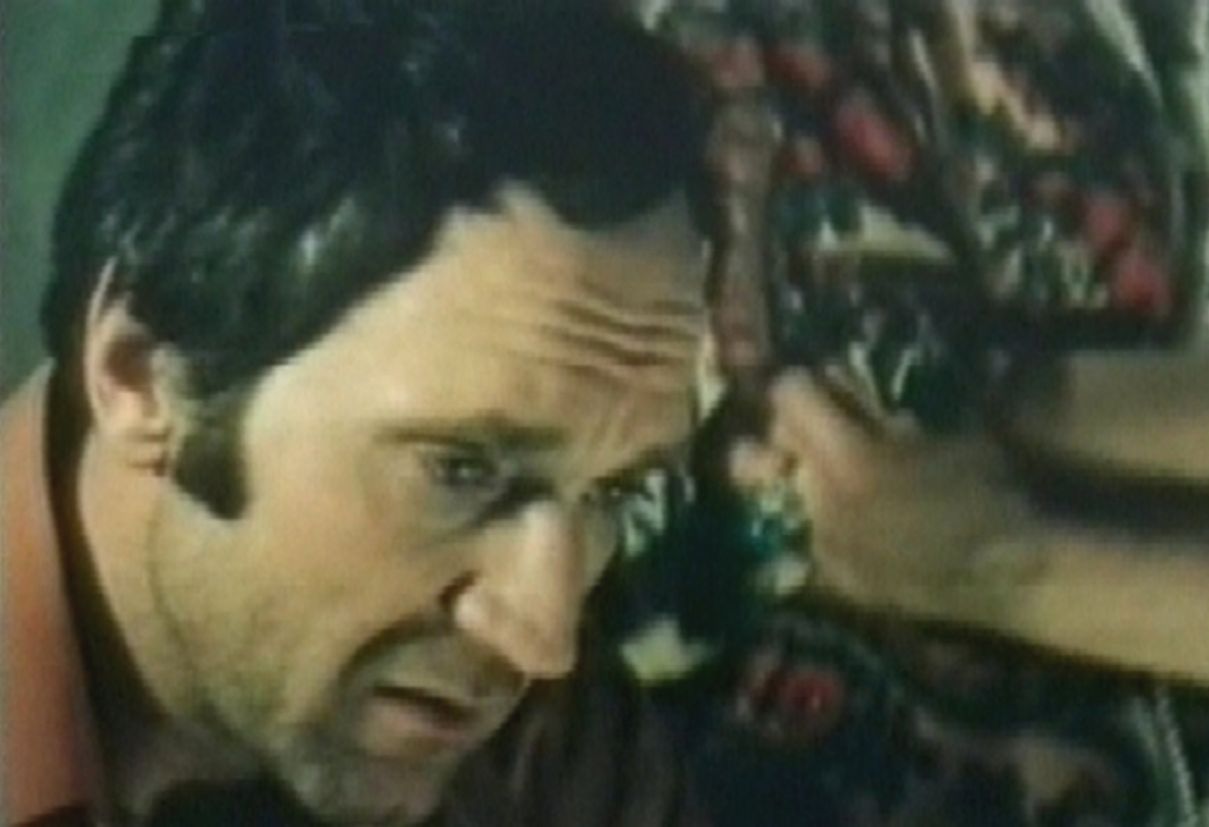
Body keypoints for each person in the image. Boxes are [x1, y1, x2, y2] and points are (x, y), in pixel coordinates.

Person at [3, 2, 713, 825]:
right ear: (142, 376)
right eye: (460, 469)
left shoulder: (547, 745)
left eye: (613, 492)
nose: (545, 638)